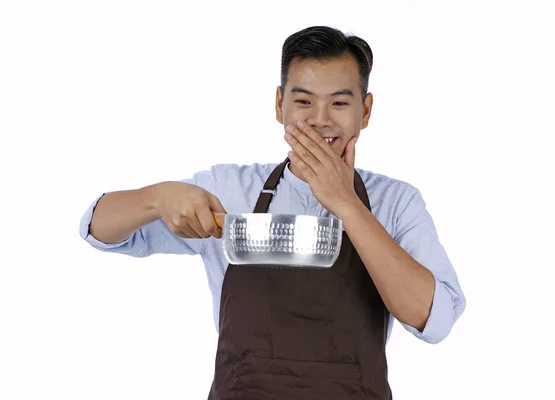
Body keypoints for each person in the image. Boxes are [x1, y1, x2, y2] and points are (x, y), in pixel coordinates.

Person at [80, 25, 466, 399]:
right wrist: (157, 197)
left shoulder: (397, 203)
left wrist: (346, 203)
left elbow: (434, 320)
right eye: (303, 102)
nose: (319, 119)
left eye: (339, 102)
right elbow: (98, 227)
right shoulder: (229, 190)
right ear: (279, 104)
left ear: (365, 111)